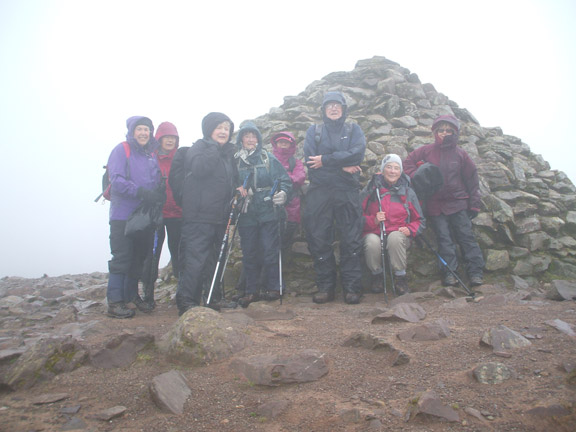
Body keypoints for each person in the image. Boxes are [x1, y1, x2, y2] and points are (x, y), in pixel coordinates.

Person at [403, 114, 484, 287]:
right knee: (444, 239)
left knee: (466, 238)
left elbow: (472, 180)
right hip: (435, 205)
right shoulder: (426, 150)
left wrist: (474, 205)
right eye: (441, 130)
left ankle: (476, 273)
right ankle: (450, 274)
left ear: (455, 132)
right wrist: (417, 176)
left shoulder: (461, 155)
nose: (444, 133)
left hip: (458, 202)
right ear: (435, 132)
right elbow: (407, 164)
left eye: (449, 130)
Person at [170, 112, 237, 316]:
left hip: (220, 216)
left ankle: (211, 298)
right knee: (195, 260)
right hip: (199, 216)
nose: (224, 131)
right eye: (219, 127)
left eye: (227, 128)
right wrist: (214, 148)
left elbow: (229, 182)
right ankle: (187, 301)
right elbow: (199, 169)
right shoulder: (199, 148)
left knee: (214, 260)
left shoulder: (227, 155)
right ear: (209, 130)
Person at [303, 91, 366, 304]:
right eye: (329, 105)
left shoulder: (353, 130)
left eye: (337, 105)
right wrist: (341, 166)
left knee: (351, 239)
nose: (333, 108)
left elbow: (358, 154)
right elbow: (312, 164)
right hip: (320, 192)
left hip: (347, 192)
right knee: (319, 238)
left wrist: (326, 160)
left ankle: (352, 288)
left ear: (344, 109)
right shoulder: (314, 131)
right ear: (323, 109)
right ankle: (326, 287)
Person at [106, 116, 164, 318]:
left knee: (138, 258)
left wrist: (157, 192)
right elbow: (117, 180)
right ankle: (114, 301)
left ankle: (131, 296)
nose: (143, 133)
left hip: (144, 215)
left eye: (147, 130)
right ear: (132, 132)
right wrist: (140, 192)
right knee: (122, 257)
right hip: (123, 214)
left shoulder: (151, 154)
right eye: (139, 129)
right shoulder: (122, 150)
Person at [235, 122, 292, 307]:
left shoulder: (268, 158)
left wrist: (283, 193)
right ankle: (251, 291)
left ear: (258, 140)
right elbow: (228, 183)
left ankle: (274, 287)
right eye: (247, 136)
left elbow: (284, 180)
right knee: (250, 251)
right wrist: (237, 192)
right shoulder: (234, 161)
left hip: (268, 210)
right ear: (241, 139)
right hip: (247, 212)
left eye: (254, 136)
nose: (251, 139)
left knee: (270, 250)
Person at [362, 154, 425, 295]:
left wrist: (410, 229)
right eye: (389, 167)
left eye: (396, 168)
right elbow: (357, 218)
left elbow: (420, 220)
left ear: (401, 172)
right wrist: (373, 220)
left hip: (398, 234)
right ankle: (377, 275)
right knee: (371, 241)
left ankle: (400, 278)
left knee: (395, 237)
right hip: (376, 232)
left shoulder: (408, 192)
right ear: (382, 170)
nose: (392, 171)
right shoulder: (371, 190)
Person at [141, 121, 182, 309]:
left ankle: (183, 293)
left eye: (173, 138)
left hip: (178, 214)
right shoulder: (151, 158)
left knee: (180, 254)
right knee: (152, 254)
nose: (170, 141)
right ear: (159, 139)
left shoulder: (182, 158)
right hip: (156, 214)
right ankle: (148, 296)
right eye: (166, 138)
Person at [271, 131, 306, 258]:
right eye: (281, 142)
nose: (283, 145)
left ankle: (279, 266)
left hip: (292, 206)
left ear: (291, 145)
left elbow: (300, 177)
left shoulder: (295, 162)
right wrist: (287, 177)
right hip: (271, 206)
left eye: (286, 143)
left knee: (285, 240)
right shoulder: (270, 160)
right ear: (276, 144)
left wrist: (281, 179)